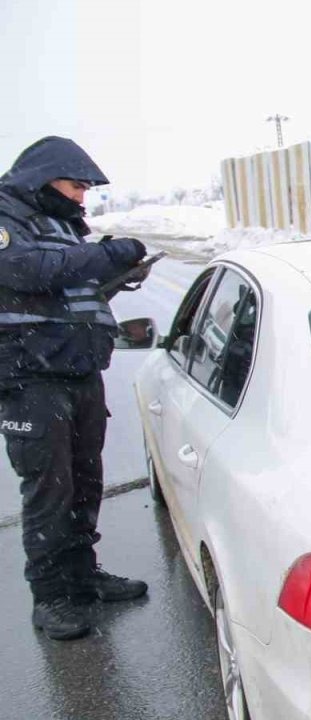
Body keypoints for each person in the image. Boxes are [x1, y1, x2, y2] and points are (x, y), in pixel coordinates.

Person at [0, 137, 152, 641]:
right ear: (42, 177)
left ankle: (84, 576)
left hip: (79, 371)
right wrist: (106, 255)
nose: (82, 198)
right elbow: (27, 271)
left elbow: (68, 288)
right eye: (76, 186)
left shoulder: (62, 224)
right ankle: (51, 597)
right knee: (49, 489)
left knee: (86, 481)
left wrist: (115, 274)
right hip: (30, 378)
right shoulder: (6, 217)